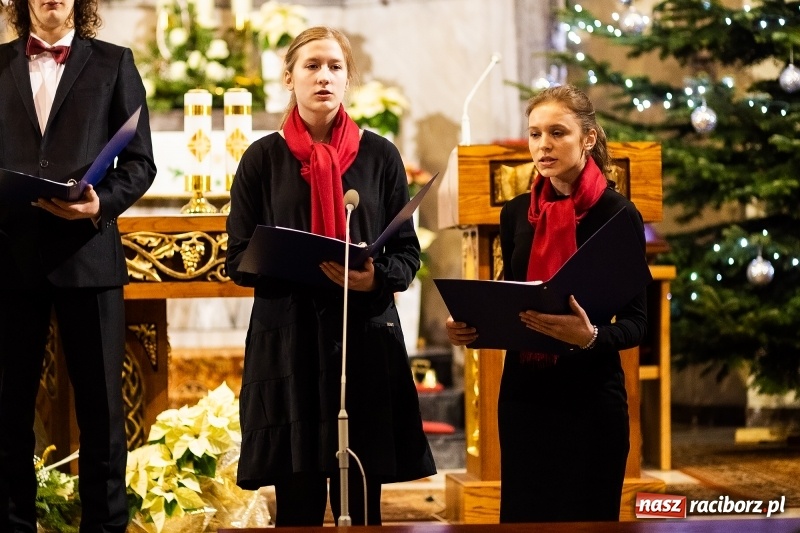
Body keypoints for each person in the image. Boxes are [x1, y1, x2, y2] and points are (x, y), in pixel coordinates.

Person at [225, 26, 435, 528]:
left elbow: (406, 255)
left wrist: (373, 280)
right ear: (289, 78)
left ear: (348, 79)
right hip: (290, 340)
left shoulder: (380, 155)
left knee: (360, 502)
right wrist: (286, 258)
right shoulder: (262, 158)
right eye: (312, 66)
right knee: (296, 504)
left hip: (360, 336)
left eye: (335, 67)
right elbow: (236, 259)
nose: (324, 77)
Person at [446, 84, 647, 523]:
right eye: (535, 134)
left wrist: (591, 336)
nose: (544, 145)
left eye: (558, 132)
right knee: (524, 518)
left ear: (588, 139)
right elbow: (510, 291)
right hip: (525, 394)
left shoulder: (617, 214)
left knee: (588, 518)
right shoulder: (517, 212)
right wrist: (472, 321)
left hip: (591, 394)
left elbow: (637, 322)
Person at [0, 0, 156, 530]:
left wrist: (100, 203)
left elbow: (140, 162)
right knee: (7, 411)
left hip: (87, 256)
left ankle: (105, 526)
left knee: (103, 412)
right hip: (9, 258)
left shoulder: (114, 63)